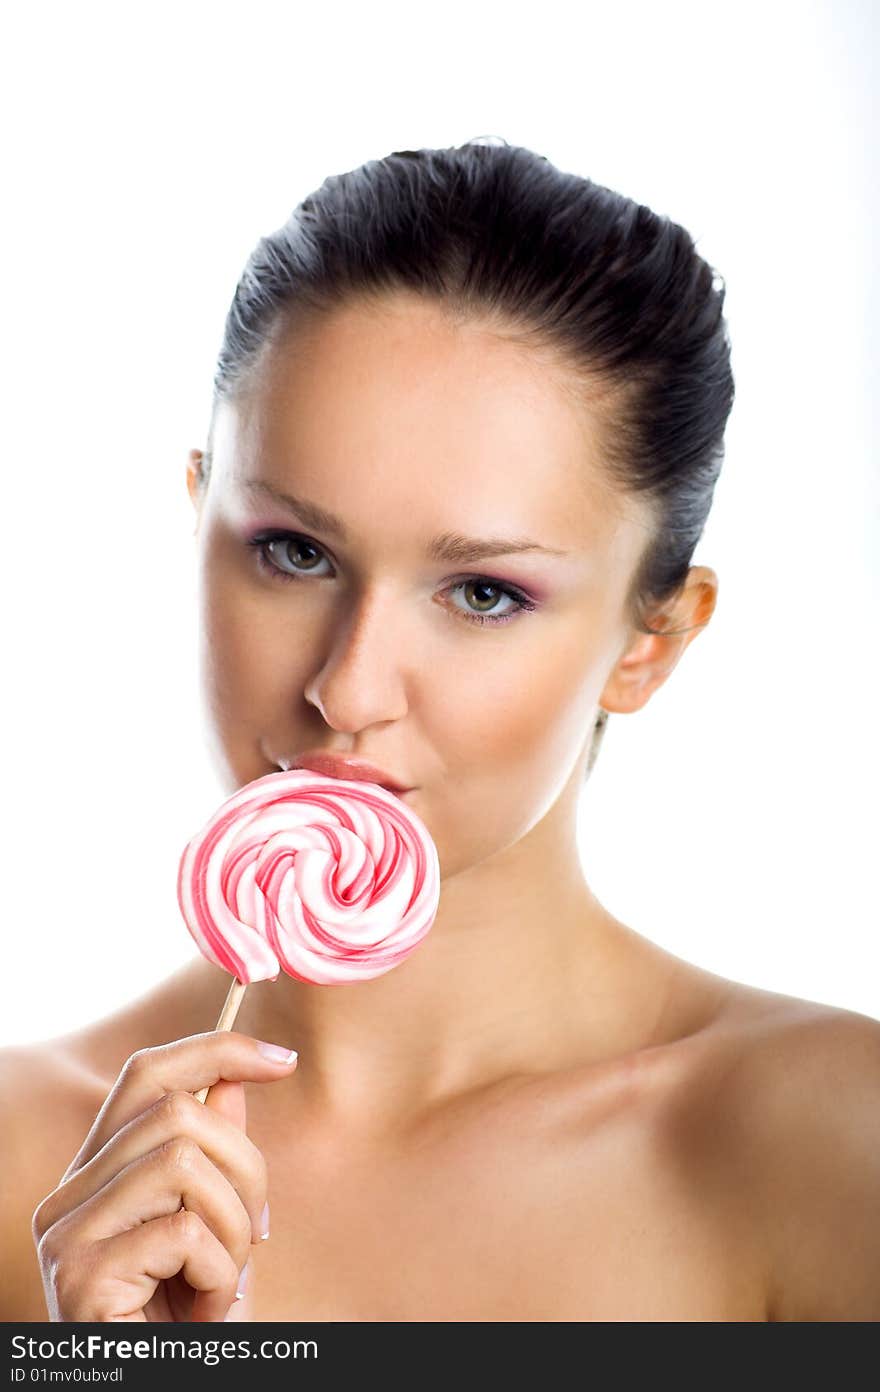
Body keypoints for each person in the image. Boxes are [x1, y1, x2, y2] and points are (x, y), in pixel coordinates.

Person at [3, 139, 878, 1324]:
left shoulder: (825, 1145)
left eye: (483, 595)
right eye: (293, 553)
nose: (348, 691)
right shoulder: (25, 1167)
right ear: (198, 510)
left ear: (651, 640)